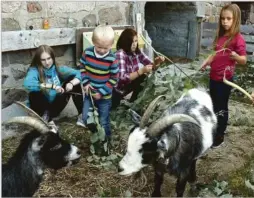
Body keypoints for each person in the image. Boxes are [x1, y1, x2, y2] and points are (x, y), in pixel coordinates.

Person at [200, 4, 247, 148]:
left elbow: (244, 60)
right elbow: (215, 54)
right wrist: (206, 62)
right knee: (214, 105)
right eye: (222, 18)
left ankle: (220, 134)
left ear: (235, 20)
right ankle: (214, 128)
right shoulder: (221, 37)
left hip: (225, 81)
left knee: (222, 108)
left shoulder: (237, 39)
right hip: (213, 77)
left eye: (228, 19)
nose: (224, 21)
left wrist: (236, 56)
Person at [23, 45, 83, 129]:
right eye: (43, 60)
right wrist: (53, 86)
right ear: (38, 60)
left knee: (73, 79)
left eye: (49, 58)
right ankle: (49, 123)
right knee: (34, 93)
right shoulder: (34, 70)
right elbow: (28, 84)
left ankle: (82, 116)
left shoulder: (58, 69)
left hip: (55, 107)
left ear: (53, 58)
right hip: (41, 109)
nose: (47, 62)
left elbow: (80, 73)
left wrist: (71, 83)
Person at [78, 25, 119, 139]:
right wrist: (86, 83)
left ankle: (106, 141)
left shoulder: (112, 59)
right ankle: (96, 134)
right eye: (99, 47)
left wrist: (101, 92)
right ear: (93, 41)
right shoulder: (87, 53)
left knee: (103, 120)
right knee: (86, 117)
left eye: (105, 48)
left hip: (104, 97)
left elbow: (114, 78)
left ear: (111, 45)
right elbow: (82, 68)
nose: (101, 50)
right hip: (89, 94)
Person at [112, 28, 165, 109]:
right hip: (116, 90)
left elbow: (150, 65)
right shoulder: (120, 54)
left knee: (143, 78)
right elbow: (122, 78)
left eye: (136, 41)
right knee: (113, 109)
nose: (134, 44)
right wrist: (141, 71)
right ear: (125, 42)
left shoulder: (136, 52)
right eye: (131, 42)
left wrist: (156, 63)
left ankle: (133, 104)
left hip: (126, 87)